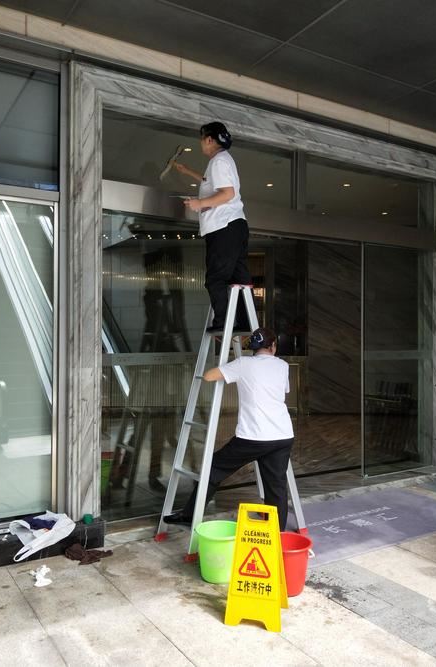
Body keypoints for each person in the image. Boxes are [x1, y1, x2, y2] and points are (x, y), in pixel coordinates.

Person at [163, 327, 294, 530]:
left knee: (213, 468)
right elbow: (281, 389)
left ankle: (189, 515)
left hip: (254, 436)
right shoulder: (283, 365)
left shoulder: (243, 364)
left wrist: (228, 363)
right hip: (282, 435)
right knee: (276, 486)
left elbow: (209, 376)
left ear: (253, 347)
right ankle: (277, 533)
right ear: (273, 346)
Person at [175, 121, 252, 331]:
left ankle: (223, 323)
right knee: (239, 279)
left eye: (202, 139)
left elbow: (227, 193)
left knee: (215, 278)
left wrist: (199, 204)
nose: (201, 143)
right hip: (235, 225)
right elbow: (210, 182)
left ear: (209, 140)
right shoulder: (223, 160)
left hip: (223, 227)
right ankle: (244, 321)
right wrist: (187, 171)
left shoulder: (219, 162)